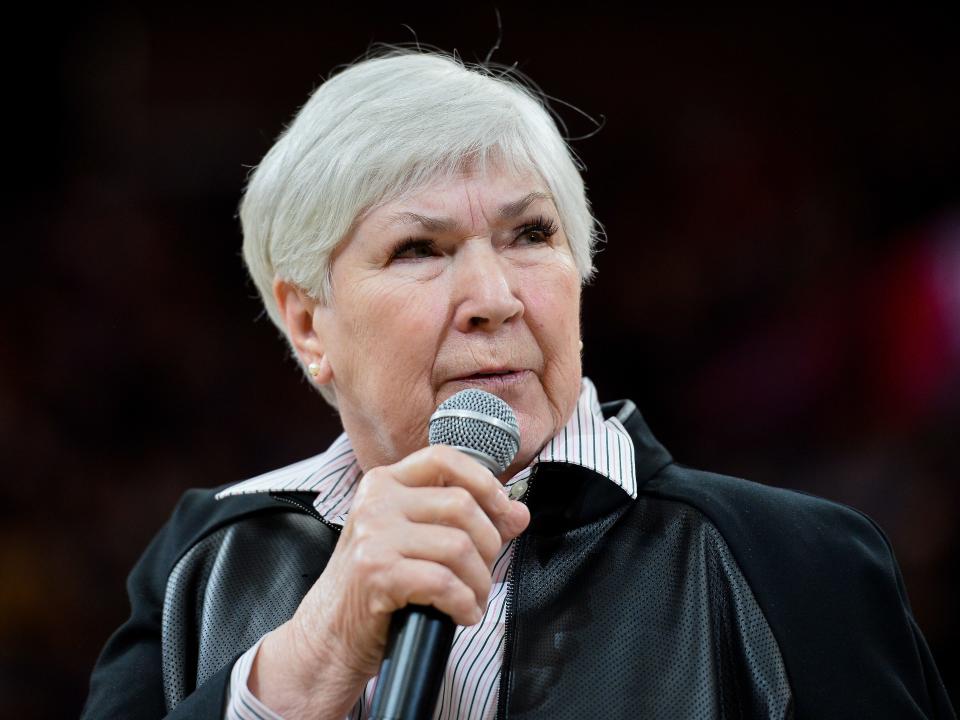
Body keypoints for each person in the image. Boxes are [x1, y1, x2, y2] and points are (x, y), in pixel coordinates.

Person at [81, 49, 955, 720]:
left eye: (530, 234)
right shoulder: (207, 563)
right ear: (308, 322)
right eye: (418, 249)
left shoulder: (792, 564)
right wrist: (304, 666)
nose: (493, 299)